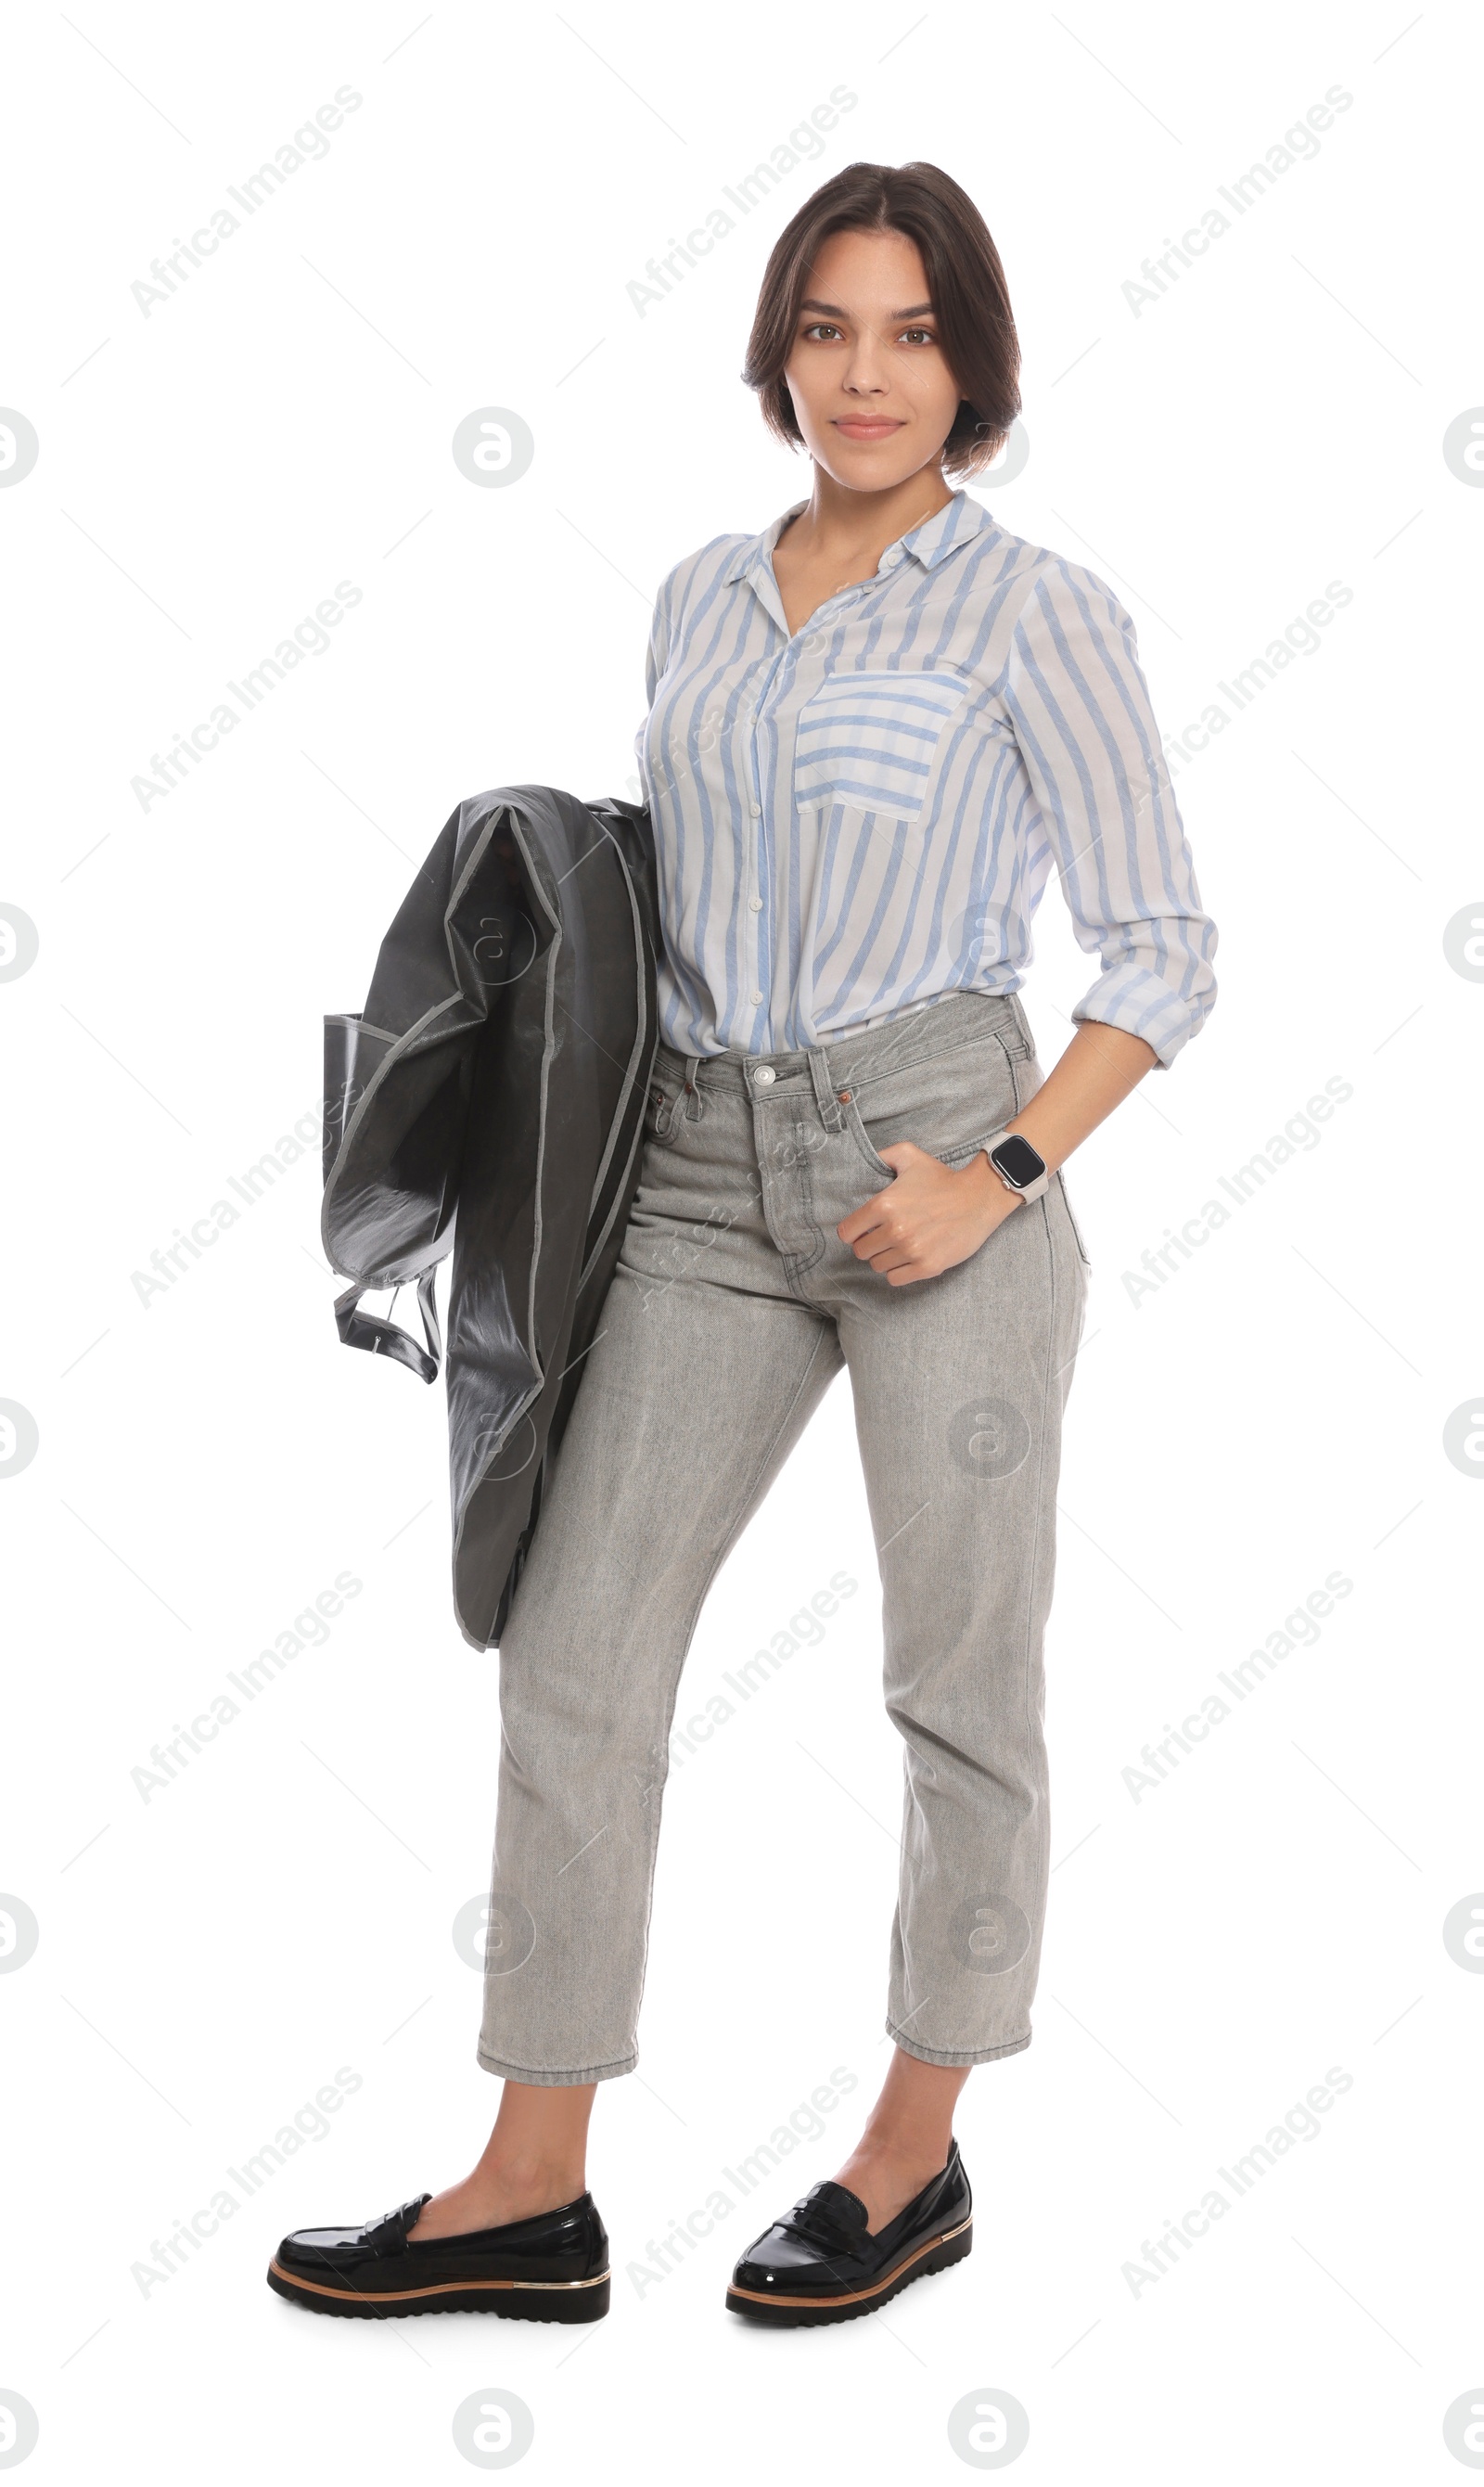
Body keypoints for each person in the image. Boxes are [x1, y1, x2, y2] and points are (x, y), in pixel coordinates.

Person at [269, 159, 1217, 2327]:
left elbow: (1163, 948)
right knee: (575, 1647)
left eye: (906, 333)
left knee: (953, 1676)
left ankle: (907, 2153)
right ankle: (528, 2180)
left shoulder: (1033, 607)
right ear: (777, 347)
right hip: (701, 1162)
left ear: (967, 361)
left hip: (936, 1150)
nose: (860, 375)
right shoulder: (701, 590)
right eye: (823, 328)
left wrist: (989, 1169)